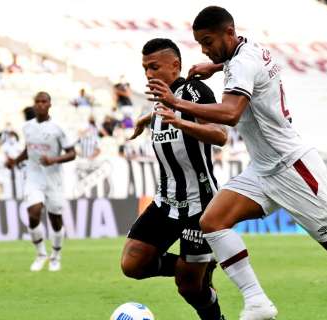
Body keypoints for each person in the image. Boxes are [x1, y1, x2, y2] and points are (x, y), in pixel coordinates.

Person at [147, 7, 327, 320]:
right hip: (262, 169)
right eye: (200, 44)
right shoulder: (244, 51)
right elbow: (239, 63)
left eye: (207, 42)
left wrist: (177, 102)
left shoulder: (242, 63)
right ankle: (257, 302)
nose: (204, 49)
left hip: (293, 168)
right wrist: (216, 65)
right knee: (212, 222)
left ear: (228, 32)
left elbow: (231, 114)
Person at [122, 38, 227, 320]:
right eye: (144, 68)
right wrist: (146, 120)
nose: (148, 74)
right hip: (166, 202)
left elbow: (221, 135)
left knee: (190, 288)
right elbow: (164, 113)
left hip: (200, 206)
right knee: (132, 264)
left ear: (175, 65)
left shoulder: (195, 91)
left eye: (154, 67)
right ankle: (201, 265)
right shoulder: (160, 100)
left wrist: (179, 122)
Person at [6, 92, 76, 272]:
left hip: (54, 178)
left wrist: (54, 160)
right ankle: (40, 254)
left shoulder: (58, 128)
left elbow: (72, 153)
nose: (40, 105)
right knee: (34, 212)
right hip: (34, 176)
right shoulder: (27, 127)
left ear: (50, 104)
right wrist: (15, 160)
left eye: (43, 101)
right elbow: (28, 150)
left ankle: (56, 255)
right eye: (37, 102)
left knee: (55, 219)